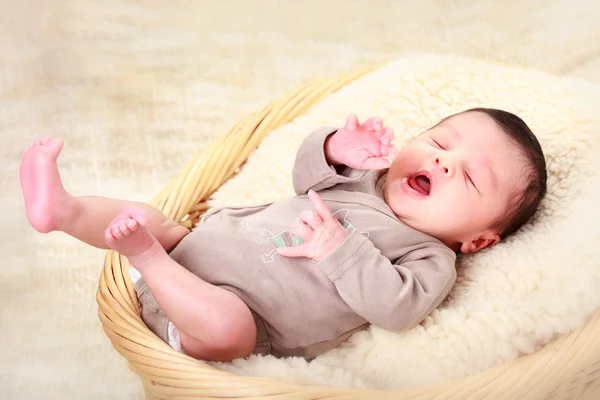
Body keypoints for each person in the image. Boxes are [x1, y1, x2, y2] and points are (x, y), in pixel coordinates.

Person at [19, 108, 547, 362]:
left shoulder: (429, 257)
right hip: (196, 250)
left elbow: (397, 309)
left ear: (478, 239)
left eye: (471, 177)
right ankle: (62, 211)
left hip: (225, 318)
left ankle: (145, 258)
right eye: (439, 140)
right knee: (158, 220)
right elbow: (305, 175)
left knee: (229, 326)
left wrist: (343, 250)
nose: (442, 161)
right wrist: (337, 146)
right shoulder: (367, 179)